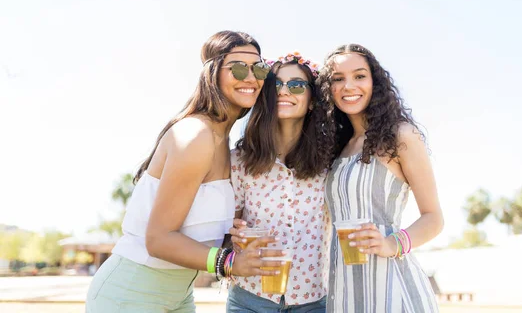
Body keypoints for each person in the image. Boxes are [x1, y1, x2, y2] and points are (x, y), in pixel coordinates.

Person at [86, 31, 285, 313]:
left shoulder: (223, 141)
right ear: (212, 73)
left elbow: (193, 232)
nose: (251, 78)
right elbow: (159, 239)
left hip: (179, 296)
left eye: (259, 68)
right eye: (239, 68)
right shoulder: (195, 135)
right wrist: (229, 263)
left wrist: (235, 238)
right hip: (131, 294)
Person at [317, 44, 443, 313]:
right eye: (338, 79)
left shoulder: (401, 136)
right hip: (344, 293)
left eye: (359, 76)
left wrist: (390, 243)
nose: (349, 85)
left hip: (393, 290)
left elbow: (433, 218)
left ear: (375, 82)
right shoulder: (338, 147)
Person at [227, 52, 330, 312]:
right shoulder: (240, 161)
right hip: (249, 298)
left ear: (311, 102)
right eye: (276, 85)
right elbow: (227, 233)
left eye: (296, 85)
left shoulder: (331, 163)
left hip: (314, 301)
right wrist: (233, 238)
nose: (284, 91)